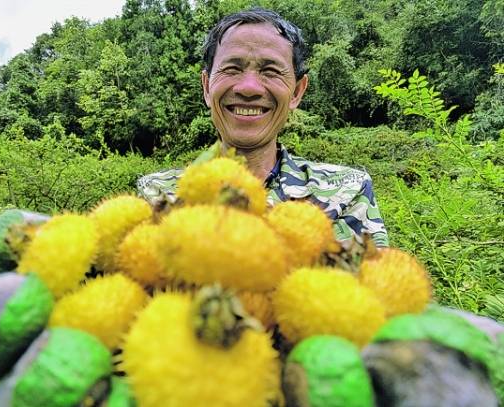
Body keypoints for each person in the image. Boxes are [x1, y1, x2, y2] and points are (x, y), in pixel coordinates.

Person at [137, 7, 388, 248]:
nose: (249, 88)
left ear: (297, 92)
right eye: (232, 68)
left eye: (270, 71)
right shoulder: (158, 194)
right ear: (206, 86)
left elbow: (367, 285)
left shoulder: (347, 190)